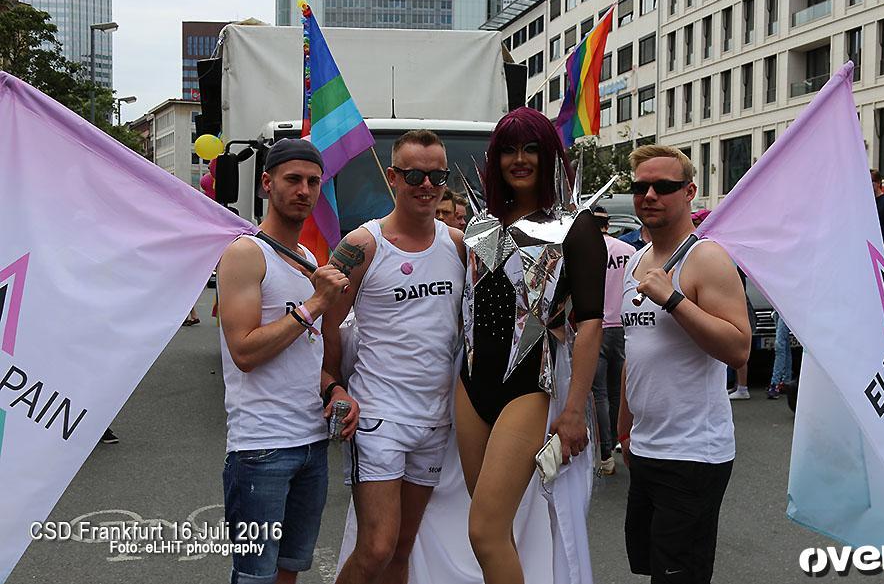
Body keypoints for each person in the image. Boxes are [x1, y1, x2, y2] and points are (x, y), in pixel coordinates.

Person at [457, 107, 605, 584]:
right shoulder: (478, 225)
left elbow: (591, 324)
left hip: (527, 386)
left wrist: (574, 410)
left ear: (549, 156)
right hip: (469, 387)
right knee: (492, 526)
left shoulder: (576, 226)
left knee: (485, 530)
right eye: (508, 150)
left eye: (531, 149)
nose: (519, 159)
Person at [326, 130, 466, 584]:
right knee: (376, 547)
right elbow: (326, 323)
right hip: (380, 417)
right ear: (393, 177)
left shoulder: (459, 245)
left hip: (435, 420)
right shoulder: (362, 245)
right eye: (414, 175)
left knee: (403, 549)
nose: (426, 185)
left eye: (436, 175)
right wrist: (332, 382)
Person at [217, 138, 356, 584]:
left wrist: (333, 388)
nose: (304, 190)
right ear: (266, 183)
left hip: (311, 444)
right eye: (293, 179)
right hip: (261, 448)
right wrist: (315, 304)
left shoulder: (308, 259)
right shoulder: (245, 253)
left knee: (290, 571)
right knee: (255, 576)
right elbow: (245, 351)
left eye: (313, 182)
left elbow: (302, 354)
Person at [617, 144, 751, 584]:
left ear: (690, 191)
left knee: (679, 576)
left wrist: (673, 299)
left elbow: (738, 348)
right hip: (647, 446)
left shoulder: (707, 257)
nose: (649, 195)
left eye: (664, 186)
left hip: (694, 453)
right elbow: (634, 353)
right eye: (640, 186)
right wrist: (624, 429)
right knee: (652, 567)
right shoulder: (636, 261)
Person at [591, 205, 636, 475]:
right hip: (624, 326)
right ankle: (622, 440)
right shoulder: (629, 251)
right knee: (621, 388)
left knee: (600, 394)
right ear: (608, 225)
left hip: (596, 326)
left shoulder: (587, 251)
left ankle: (605, 453)